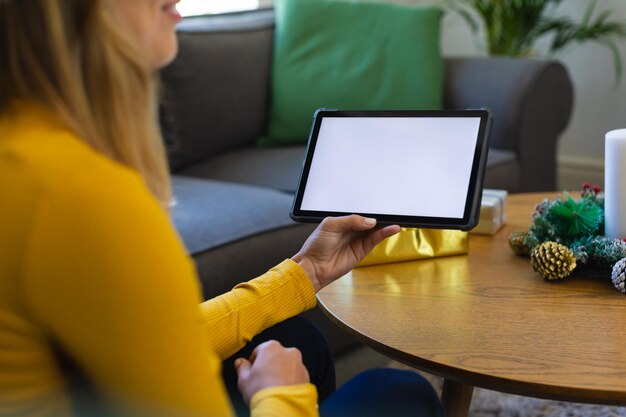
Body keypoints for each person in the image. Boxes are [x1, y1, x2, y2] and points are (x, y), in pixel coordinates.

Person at [0, 1, 445, 416]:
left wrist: (306, 272)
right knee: (401, 392)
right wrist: (281, 394)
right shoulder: (78, 192)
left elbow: (160, 341)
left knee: (294, 338)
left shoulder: (24, 154)